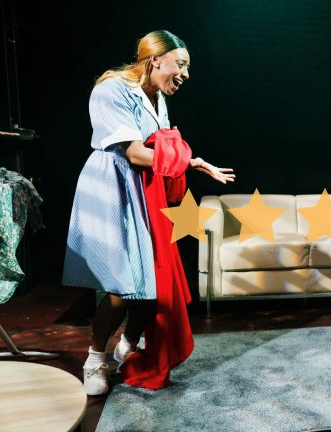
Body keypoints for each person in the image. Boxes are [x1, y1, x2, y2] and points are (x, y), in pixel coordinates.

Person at [62, 30, 235, 395]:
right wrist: (190, 162)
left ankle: (127, 346)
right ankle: (94, 360)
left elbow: (162, 147)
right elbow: (136, 152)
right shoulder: (111, 90)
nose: (186, 74)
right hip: (113, 189)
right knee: (121, 287)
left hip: (146, 192)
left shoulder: (157, 98)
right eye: (181, 64)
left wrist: (191, 161)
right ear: (155, 59)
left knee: (151, 283)